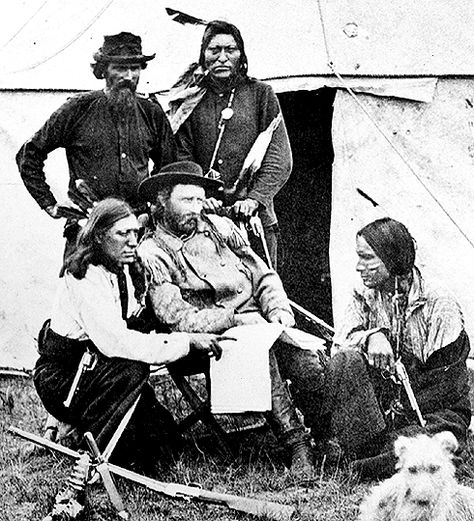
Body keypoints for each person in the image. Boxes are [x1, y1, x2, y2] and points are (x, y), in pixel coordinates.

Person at [136, 161, 326, 478]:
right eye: (186, 200)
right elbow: (177, 318)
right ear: (161, 202)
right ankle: (296, 444)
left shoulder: (220, 228)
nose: (195, 209)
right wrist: (233, 320)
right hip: (211, 337)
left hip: (260, 323)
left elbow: (262, 274)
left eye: (199, 200)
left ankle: (325, 436)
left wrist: (278, 310)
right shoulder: (153, 252)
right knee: (261, 352)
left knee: (308, 361)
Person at [34, 198, 228, 471]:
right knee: (133, 373)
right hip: (66, 378)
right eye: (122, 233)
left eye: (135, 232)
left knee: (164, 440)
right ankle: (92, 453)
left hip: (101, 371)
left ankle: (88, 434)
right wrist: (185, 342)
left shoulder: (123, 269)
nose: (132, 241)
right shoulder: (83, 276)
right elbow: (116, 343)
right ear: (99, 237)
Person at [317, 217, 471, 478]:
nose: (358, 267)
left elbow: (448, 387)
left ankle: (369, 460)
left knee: (436, 438)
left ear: (391, 258)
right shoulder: (364, 294)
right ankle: (380, 455)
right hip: (385, 407)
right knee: (345, 362)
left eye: (367, 258)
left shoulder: (438, 303)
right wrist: (372, 337)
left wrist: (403, 413)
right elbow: (339, 347)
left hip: (433, 409)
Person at [16, 31, 176, 257]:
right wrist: (49, 203)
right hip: (88, 230)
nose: (129, 76)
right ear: (103, 70)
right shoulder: (78, 108)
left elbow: (169, 167)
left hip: (137, 232)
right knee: (86, 287)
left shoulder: (152, 112)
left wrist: (153, 207)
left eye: (135, 68)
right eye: (120, 68)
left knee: (140, 290)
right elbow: (29, 154)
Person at [168, 20, 292, 269]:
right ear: (203, 55)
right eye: (214, 50)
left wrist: (254, 199)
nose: (222, 57)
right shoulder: (190, 99)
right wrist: (203, 196)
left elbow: (279, 157)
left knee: (262, 291)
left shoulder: (260, 94)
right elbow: (182, 157)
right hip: (204, 218)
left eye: (230, 50)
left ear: (241, 55)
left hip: (253, 219)